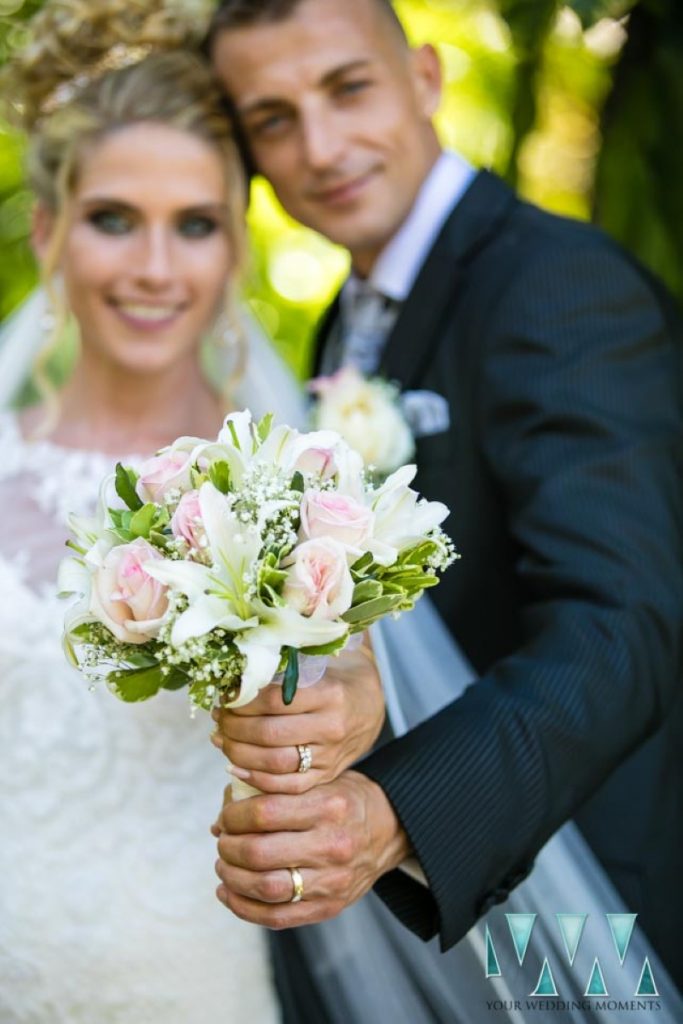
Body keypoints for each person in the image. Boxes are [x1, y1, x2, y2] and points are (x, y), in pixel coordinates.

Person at [206, 0, 683, 1014]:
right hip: (456, 926)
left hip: (596, 907)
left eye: (347, 87)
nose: (321, 146)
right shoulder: (345, 324)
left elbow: (623, 624)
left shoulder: (555, 284)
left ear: (423, 77)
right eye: (273, 118)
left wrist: (395, 815)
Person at [0, 1, 385, 1020]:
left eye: (197, 225)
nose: (156, 269)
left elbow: (346, 708)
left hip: (196, 974)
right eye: (114, 218)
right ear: (49, 231)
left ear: (235, 248)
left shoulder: (295, 492)